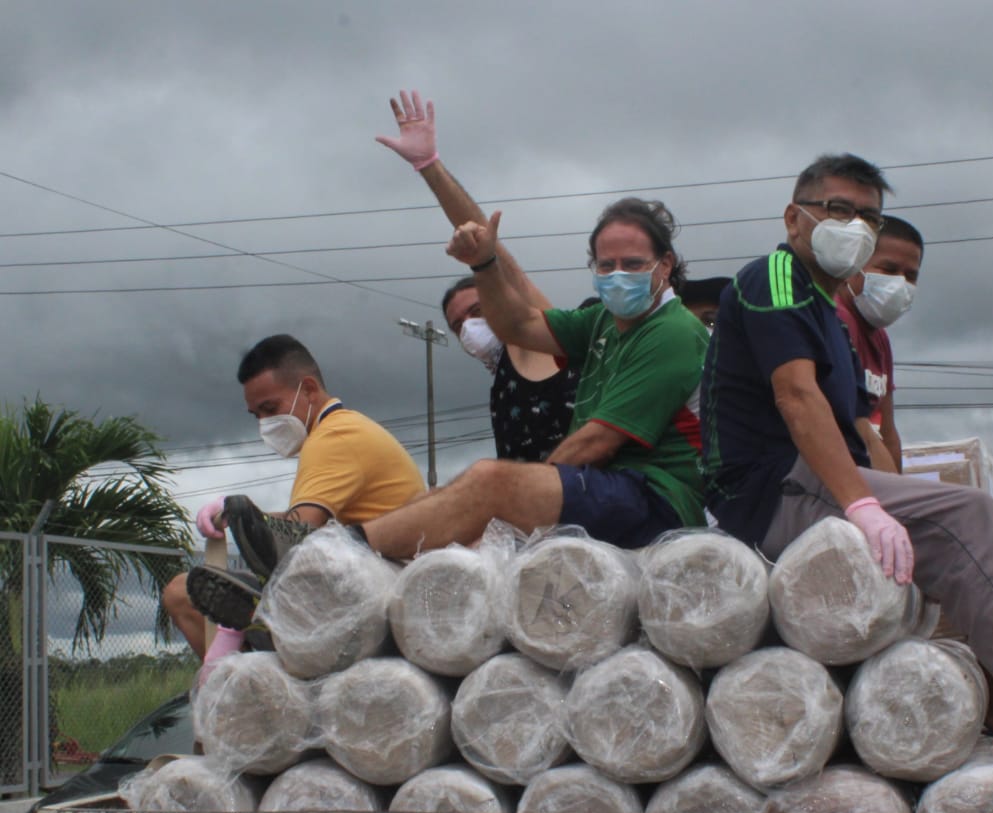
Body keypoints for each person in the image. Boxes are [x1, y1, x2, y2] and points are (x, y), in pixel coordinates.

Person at [699, 152, 993, 788]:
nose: (855, 227)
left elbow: (865, 432)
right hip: (767, 489)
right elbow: (796, 397)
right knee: (971, 518)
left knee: (990, 521)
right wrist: (865, 507)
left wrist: (893, 500)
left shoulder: (833, 318)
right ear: (795, 219)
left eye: (869, 217)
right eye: (838, 209)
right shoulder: (775, 277)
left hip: (806, 481)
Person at [193, 91, 707, 631]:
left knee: (487, 485)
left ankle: (319, 558)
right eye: (606, 265)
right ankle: (296, 590)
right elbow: (515, 318)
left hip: (654, 496)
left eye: (633, 263)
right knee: (461, 500)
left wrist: (515, 505)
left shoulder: (670, 332)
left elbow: (593, 443)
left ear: (665, 265)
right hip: (592, 488)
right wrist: (481, 262)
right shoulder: (599, 324)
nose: (617, 275)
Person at [164, 335, 424, 661]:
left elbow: (296, 535)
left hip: (377, 589)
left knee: (180, 593)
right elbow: (307, 527)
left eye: (270, 409)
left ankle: (243, 672)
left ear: (309, 390)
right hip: (385, 580)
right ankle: (252, 650)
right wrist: (235, 516)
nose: (264, 424)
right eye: (256, 415)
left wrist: (241, 516)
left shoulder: (333, 437)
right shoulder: (348, 428)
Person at [442, 275, 578, 462]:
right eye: (458, 326)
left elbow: (549, 326)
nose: (469, 327)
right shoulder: (501, 387)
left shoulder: (550, 349)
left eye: (477, 311)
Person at [833, 215, 924, 472]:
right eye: (889, 270)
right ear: (853, 266)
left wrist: (899, 488)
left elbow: (887, 431)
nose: (900, 283)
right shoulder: (836, 321)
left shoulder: (879, 337)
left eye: (911, 276)